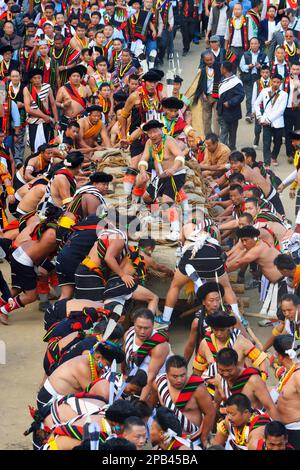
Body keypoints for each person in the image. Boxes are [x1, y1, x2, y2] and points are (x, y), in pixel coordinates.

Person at [36, 340, 125, 417]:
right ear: (98, 357)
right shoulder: (83, 366)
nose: (108, 368)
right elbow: (95, 395)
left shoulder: (92, 362)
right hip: (48, 400)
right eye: (108, 364)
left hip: (61, 399)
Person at [152, 355, 216, 447]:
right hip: (168, 440)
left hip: (193, 440)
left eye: (183, 375)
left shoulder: (198, 388)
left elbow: (210, 413)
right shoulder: (160, 383)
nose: (179, 380)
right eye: (175, 376)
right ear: (166, 374)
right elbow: (151, 404)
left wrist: (204, 436)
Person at [138, 119, 186, 241]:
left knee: (166, 200)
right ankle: (155, 215)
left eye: (155, 131)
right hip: (161, 175)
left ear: (161, 130)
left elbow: (180, 156)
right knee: (146, 197)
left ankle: (175, 230)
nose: (152, 135)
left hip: (176, 174)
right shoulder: (149, 143)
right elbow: (143, 159)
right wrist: (143, 172)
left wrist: (174, 169)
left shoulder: (169, 140)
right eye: (150, 133)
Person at [193, 311, 268, 379]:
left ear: (229, 327)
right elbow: (197, 371)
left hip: (238, 387)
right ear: (211, 328)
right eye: (216, 330)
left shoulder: (241, 341)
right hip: (213, 387)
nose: (219, 333)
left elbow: (261, 360)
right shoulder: (205, 343)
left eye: (222, 330)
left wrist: (263, 377)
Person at [213, 348, 279, 418]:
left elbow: (271, 407)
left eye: (229, 370)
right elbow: (216, 404)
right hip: (231, 423)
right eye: (221, 370)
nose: (225, 374)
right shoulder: (219, 379)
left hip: (254, 424)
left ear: (236, 365)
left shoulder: (253, 380)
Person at [123, 309, 170, 401]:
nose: (142, 331)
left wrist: (141, 402)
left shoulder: (159, 346)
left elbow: (151, 377)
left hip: (154, 384)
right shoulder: (128, 334)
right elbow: (124, 358)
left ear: (153, 326)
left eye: (146, 328)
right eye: (139, 327)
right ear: (134, 324)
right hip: (134, 378)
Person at [254, 73, 288, 168]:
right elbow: (256, 104)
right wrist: (259, 116)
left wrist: (268, 119)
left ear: (281, 83)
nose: (275, 84)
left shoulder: (284, 94)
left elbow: (281, 110)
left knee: (278, 142)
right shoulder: (264, 91)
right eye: (274, 82)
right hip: (265, 121)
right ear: (271, 81)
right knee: (266, 142)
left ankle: (274, 156)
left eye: (278, 82)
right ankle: (267, 163)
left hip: (277, 122)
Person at [272, 335, 300, 450]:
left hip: (296, 433)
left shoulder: (298, 376)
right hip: (284, 430)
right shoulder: (287, 372)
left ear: (280, 356)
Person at [23, 68, 58, 152]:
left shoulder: (47, 87)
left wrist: (56, 121)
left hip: (46, 122)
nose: (37, 80)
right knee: (35, 149)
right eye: (35, 78)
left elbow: (53, 105)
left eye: (39, 77)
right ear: (31, 80)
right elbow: (28, 109)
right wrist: (44, 116)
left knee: (49, 146)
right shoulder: (27, 89)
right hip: (34, 122)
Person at [239, 37, 269, 123]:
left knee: (260, 96)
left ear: (259, 44)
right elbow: (241, 66)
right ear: (250, 45)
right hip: (248, 78)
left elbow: (267, 65)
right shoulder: (245, 54)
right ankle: (249, 114)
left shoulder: (263, 55)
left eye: (255, 43)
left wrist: (261, 67)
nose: (254, 45)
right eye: (252, 44)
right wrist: (249, 66)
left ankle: (261, 113)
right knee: (249, 97)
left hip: (260, 78)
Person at [217, 61, 245, 151]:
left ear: (225, 69)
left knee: (232, 134)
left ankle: (232, 151)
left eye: (221, 68)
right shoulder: (223, 79)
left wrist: (230, 102)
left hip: (232, 113)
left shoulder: (235, 82)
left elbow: (241, 95)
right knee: (224, 132)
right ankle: (222, 151)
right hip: (222, 112)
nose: (220, 69)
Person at [193, 51, 221, 136]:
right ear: (204, 60)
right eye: (207, 60)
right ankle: (208, 138)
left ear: (214, 58)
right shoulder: (201, 70)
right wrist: (202, 93)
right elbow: (199, 83)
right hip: (205, 96)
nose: (209, 62)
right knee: (206, 118)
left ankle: (216, 137)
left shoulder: (219, 66)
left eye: (211, 59)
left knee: (217, 118)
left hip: (217, 95)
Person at [56, 65, 90, 131]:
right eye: (74, 76)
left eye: (78, 76)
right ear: (69, 78)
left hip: (81, 119)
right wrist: (63, 105)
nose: (76, 78)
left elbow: (90, 102)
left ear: (81, 78)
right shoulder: (63, 89)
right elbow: (56, 103)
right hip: (67, 120)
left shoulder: (86, 89)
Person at [284, 63, 300, 163]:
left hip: (298, 110)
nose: (295, 71)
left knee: (298, 132)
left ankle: (296, 152)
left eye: (297, 69)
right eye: (293, 69)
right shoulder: (286, 80)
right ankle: (289, 153)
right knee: (288, 132)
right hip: (288, 109)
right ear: (290, 70)